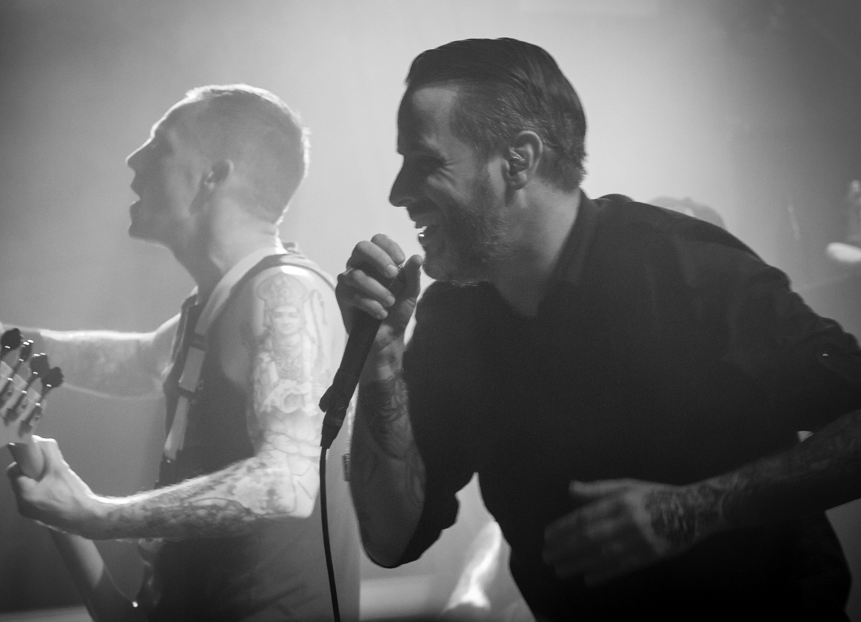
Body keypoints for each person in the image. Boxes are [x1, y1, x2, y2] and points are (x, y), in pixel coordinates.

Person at [336, 38, 861, 621]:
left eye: (426, 162)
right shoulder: (453, 318)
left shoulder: (687, 269)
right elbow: (391, 540)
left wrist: (698, 508)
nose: (398, 192)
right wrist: (381, 360)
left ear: (518, 161)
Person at [0, 85, 359, 621]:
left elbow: (287, 482)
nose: (134, 161)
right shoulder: (213, 307)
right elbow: (137, 362)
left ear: (213, 175)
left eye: (161, 145)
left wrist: (100, 516)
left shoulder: (284, 293)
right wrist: (3, 338)